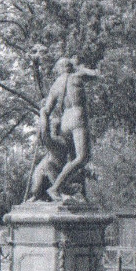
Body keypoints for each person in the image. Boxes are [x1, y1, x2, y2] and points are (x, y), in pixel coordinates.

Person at [37, 57, 98, 201]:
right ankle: (55, 188)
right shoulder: (77, 76)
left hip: (65, 121)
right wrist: (80, 67)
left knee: (70, 159)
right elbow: (96, 74)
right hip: (78, 117)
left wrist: (42, 125)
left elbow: (46, 110)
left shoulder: (55, 86)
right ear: (69, 66)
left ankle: (70, 192)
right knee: (83, 157)